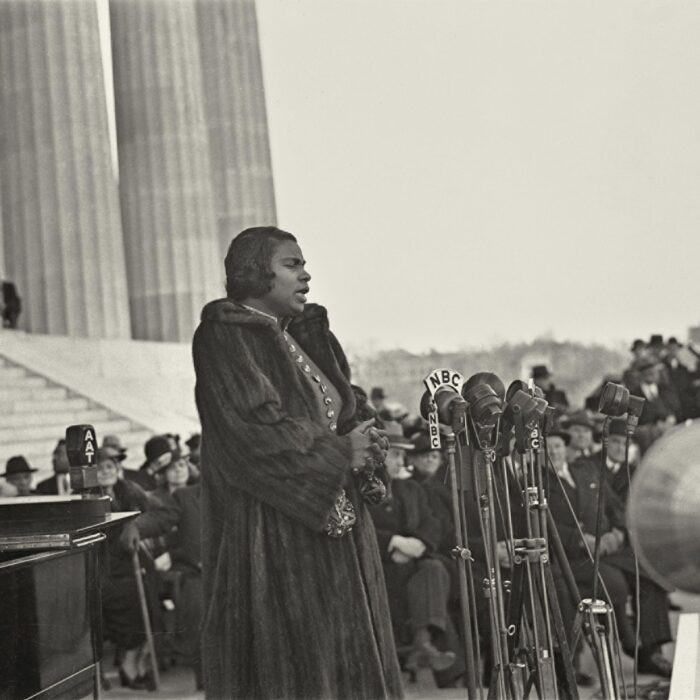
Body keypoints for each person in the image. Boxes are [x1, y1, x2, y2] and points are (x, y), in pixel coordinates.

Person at [191, 226, 402, 699]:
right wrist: (340, 452)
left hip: (340, 539)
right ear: (255, 272)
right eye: (293, 265)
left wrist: (368, 441)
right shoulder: (224, 338)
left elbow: (348, 409)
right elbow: (251, 431)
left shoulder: (304, 335)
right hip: (276, 541)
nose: (306, 275)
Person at [547, 431, 673, 678]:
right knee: (613, 582)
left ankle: (651, 651)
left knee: (650, 575)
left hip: (607, 547)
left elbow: (614, 507)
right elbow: (546, 523)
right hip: (574, 555)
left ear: (566, 449)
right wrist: (581, 540)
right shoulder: (541, 482)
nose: (554, 452)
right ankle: (628, 641)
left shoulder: (585, 472)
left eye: (558, 446)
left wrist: (617, 533)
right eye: (548, 448)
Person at [368, 423, 456, 674]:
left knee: (434, 567)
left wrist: (418, 544)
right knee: (427, 571)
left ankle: (422, 643)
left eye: (402, 455)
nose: (400, 461)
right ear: (379, 456)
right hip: (382, 564)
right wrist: (394, 543)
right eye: (394, 454)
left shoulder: (411, 488)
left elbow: (432, 524)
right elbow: (362, 527)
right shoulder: (367, 490)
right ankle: (422, 648)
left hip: (413, 561)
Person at [95, 445, 158, 689]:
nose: (105, 472)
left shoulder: (129, 490)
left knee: (148, 612)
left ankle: (137, 666)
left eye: (110, 466)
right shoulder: (88, 497)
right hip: (106, 567)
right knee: (127, 614)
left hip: (131, 563)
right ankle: (128, 669)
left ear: (118, 469)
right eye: (99, 468)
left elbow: (150, 511)